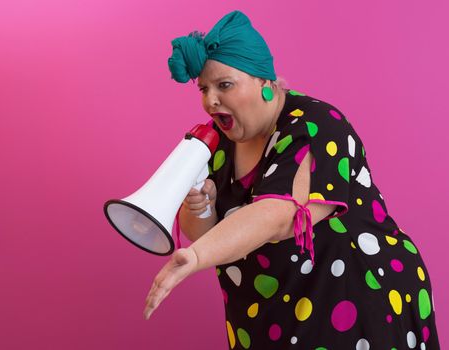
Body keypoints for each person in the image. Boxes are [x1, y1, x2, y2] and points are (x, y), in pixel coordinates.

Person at [143, 10, 440, 349]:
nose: (211, 101)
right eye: (204, 88)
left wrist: (195, 258)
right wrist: (201, 207)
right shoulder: (217, 140)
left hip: (352, 296)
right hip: (271, 310)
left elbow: (279, 216)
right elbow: (209, 238)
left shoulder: (316, 126)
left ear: (264, 82)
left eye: (224, 85)